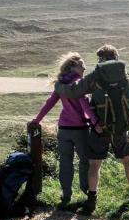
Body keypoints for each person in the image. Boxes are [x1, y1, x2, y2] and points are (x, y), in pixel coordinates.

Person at [54, 44, 129, 215]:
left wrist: (58, 87)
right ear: (116, 57)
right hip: (121, 128)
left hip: (100, 128)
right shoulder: (127, 77)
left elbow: (73, 91)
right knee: (127, 161)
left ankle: (91, 202)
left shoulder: (96, 77)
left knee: (95, 165)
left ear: (101, 59)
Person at [29, 52, 100, 209]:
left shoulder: (61, 84)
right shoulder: (78, 84)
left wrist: (36, 120)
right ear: (73, 67)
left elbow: (49, 104)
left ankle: (66, 195)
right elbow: (85, 107)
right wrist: (95, 123)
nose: (84, 67)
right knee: (84, 161)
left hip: (63, 129)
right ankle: (86, 191)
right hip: (80, 129)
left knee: (65, 163)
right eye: (81, 65)